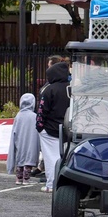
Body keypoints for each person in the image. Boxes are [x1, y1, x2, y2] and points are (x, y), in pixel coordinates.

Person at [38, 55, 70, 192]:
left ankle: (51, 184)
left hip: (50, 129)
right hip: (67, 129)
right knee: (63, 157)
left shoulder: (50, 89)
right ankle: (63, 185)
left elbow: (42, 110)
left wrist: (39, 126)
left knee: (50, 158)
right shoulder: (72, 88)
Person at [8, 93, 40, 185]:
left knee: (20, 158)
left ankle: (19, 178)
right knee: (29, 158)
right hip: (31, 141)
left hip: (20, 140)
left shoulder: (18, 116)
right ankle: (26, 178)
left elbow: (15, 130)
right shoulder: (34, 116)